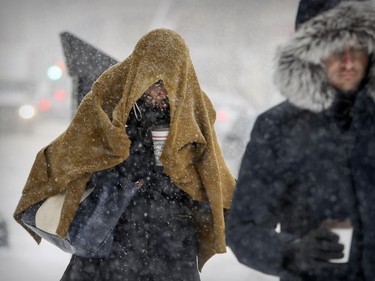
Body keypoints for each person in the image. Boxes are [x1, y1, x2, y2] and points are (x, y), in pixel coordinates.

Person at [13, 28, 236, 281]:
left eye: (169, 82)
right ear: (142, 73)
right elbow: (70, 154)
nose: (161, 92)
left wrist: (184, 179)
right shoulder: (108, 96)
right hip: (112, 232)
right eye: (155, 82)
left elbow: (210, 169)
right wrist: (124, 159)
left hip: (173, 238)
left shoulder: (195, 107)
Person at [226, 1, 375, 281]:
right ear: (311, 54)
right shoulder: (279, 127)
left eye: (357, 47)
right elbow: (243, 229)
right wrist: (292, 252)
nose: (348, 61)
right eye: (334, 47)